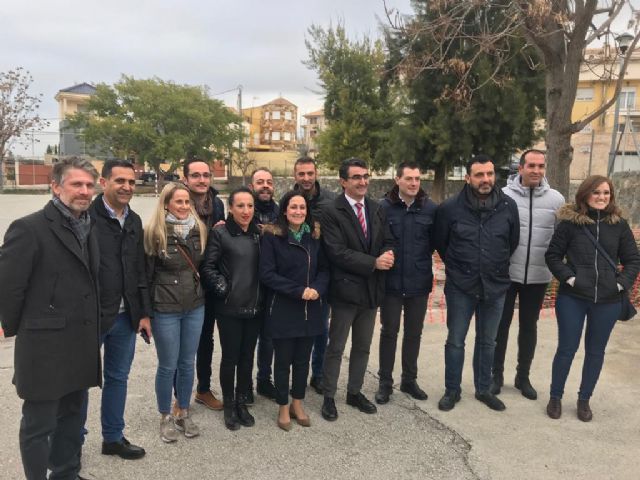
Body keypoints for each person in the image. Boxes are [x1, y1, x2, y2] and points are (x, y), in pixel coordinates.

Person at [0, 157, 101, 479]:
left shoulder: (89, 225)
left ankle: (66, 473)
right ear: (56, 187)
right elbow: (9, 286)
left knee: (71, 420)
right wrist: (13, 328)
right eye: (76, 184)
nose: (84, 191)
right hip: (44, 348)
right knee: (38, 425)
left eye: (89, 185)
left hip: (79, 343)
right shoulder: (28, 228)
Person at [545, 175, 640, 421]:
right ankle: (555, 397)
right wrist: (570, 279)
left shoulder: (619, 225)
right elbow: (553, 256)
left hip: (608, 301)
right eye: (596, 192)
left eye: (606, 193)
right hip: (573, 298)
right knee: (566, 348)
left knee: (595, 352)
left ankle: (584, 399)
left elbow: (632, 260)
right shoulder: (570, 224)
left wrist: (620, 284)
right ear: (585, 195)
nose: (601, 197)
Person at [434, 154, 519, 412]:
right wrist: (461, 267)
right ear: (468, 178)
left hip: (495, 286)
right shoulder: (450, 208)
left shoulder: (508, 206)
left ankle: (484, 389)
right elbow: (441, 243)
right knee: (455, 341)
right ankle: (452, 390)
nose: (485, 179)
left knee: (488, 341)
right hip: (461, 286)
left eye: (489, 174)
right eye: (479, 175)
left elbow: (512, 242)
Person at [320, 158, 395, 421]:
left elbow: (387, 239)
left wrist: (388, 253)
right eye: (356, 177)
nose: (363, 182)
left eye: (365, 176)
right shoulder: (331, 211)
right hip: (345, 292)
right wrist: (374, 262)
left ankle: (354, 392)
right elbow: (336, 252)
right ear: (343, 182)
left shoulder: (376, 208)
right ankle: (329, 396)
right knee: (336, 347)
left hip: (371, 291)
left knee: (362, 347)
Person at [89, 160, 152, 459]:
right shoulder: (86, 217)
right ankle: (70, 446)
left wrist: (143, 313)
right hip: (92, 317)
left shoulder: (134, 220)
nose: (127, 187)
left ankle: (113, 438)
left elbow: (139, 269)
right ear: (104, 183)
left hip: (126, 317)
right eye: (120, 181)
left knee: (117, 378)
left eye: (131, 182)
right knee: (78, 383)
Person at [491, 150, 564, 400]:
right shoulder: (503, 195)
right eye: (531, 165)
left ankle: (523, 377)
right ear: (520, 168)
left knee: (529, 327)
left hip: (538, 275)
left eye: (541, 166)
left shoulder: (556, 199)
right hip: (507, 275)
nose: (536, 170)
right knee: (500, 327)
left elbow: (562, 237)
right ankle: (496, 376)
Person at [260, 191, 330, 430]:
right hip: (283, 308)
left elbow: (325, 269)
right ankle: (282, 406)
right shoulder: (272, 236)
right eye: (293, 207)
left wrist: (317, 289)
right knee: (282, 362)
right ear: (285, 210)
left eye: (302, 207)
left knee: (302, 361)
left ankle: (297, 403)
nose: (298, 211)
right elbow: (267, 274)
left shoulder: (315, 236)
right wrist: (299, 291)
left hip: (311, 308)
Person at [145, 182, 207, 442]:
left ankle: (183, 410)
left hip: (195, 306)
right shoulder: (155, 232)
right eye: (178, 201)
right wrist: (145, 313)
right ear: (166, 203)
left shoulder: (199, 230)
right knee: (168, 365)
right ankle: (165, 416)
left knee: (187, 363)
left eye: (187, 202)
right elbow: (146, 277)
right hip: (165, 308)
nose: (183, 206)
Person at [201, 187, 263, 431]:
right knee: (230, 358)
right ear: (230, 208)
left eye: (250, 206)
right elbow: (208, 267)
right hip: (229, 308)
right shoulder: (220, 233)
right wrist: (224, 289)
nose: (246, 211)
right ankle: (228, 404)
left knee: (247, 358)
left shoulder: (259, 233)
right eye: (240, 206)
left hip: (254, 306)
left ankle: (241, 401)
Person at [375, 162, 437, 405]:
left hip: (419, 282)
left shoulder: (430, 208)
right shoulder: (383, 207)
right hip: (391, 282)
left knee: (414, 333)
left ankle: (409, 380)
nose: (413, 183)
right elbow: (378, 241)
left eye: (417, 179)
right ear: (397, 180)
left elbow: (434, 242)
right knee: (389, 332)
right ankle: (385, 382)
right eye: (409, 178)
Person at [183, 158, 226, 412]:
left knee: (206, 338)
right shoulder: (177, 201)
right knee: (184, 341)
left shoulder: (217, 204)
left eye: (206, 175)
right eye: (196, 175)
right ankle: (180, 396)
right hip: (185, 279)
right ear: (185, 179)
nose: (202, 180)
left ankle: (203, 389)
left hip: (209, 277)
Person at [292, 156, 336, 394]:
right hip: (296, 274)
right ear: (295, 175)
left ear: (316, 173)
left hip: (323, 273)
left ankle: (318, 374)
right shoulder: (289, 199)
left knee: (321, 328)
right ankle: (295, 374)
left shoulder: (331, 201)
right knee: (295, 329)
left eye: (310, 173)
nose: (306, 178)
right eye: (302, 174)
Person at [248, 167, 279, 401]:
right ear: (252, 186)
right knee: (247, 340)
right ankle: (244, 385)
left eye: (269, 181)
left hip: (272, 285)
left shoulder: (281, 213)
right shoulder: (245, 210)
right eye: (260, 182)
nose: (265, 186)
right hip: (248, 284)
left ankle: (264, 380)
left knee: (268, 338)